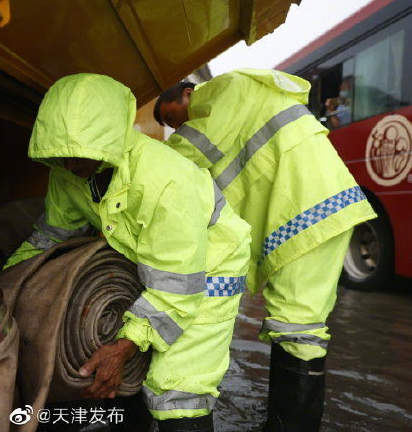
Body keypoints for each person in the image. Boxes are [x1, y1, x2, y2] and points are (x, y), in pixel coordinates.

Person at [5, 73, 251, 431]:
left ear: (109, 142)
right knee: (143, 366)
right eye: (62, 155)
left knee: (178, 386)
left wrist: (123, 346)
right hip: (154, 261)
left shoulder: (164, 179)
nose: (71, 166)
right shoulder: (66, 171)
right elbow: (51, 236)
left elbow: (177, 284)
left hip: (210, 265)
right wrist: (7, 284)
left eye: (80, 155)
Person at [153, 69, 377, 431]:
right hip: (308, 213)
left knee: (298, 327)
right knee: (294, 324)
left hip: (307, 211)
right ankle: (281, 419)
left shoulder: (227, 89)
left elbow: (190, 152)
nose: (177, 128)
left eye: (173, 117)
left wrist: (143, 160)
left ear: (189, 94)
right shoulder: (239, 107)